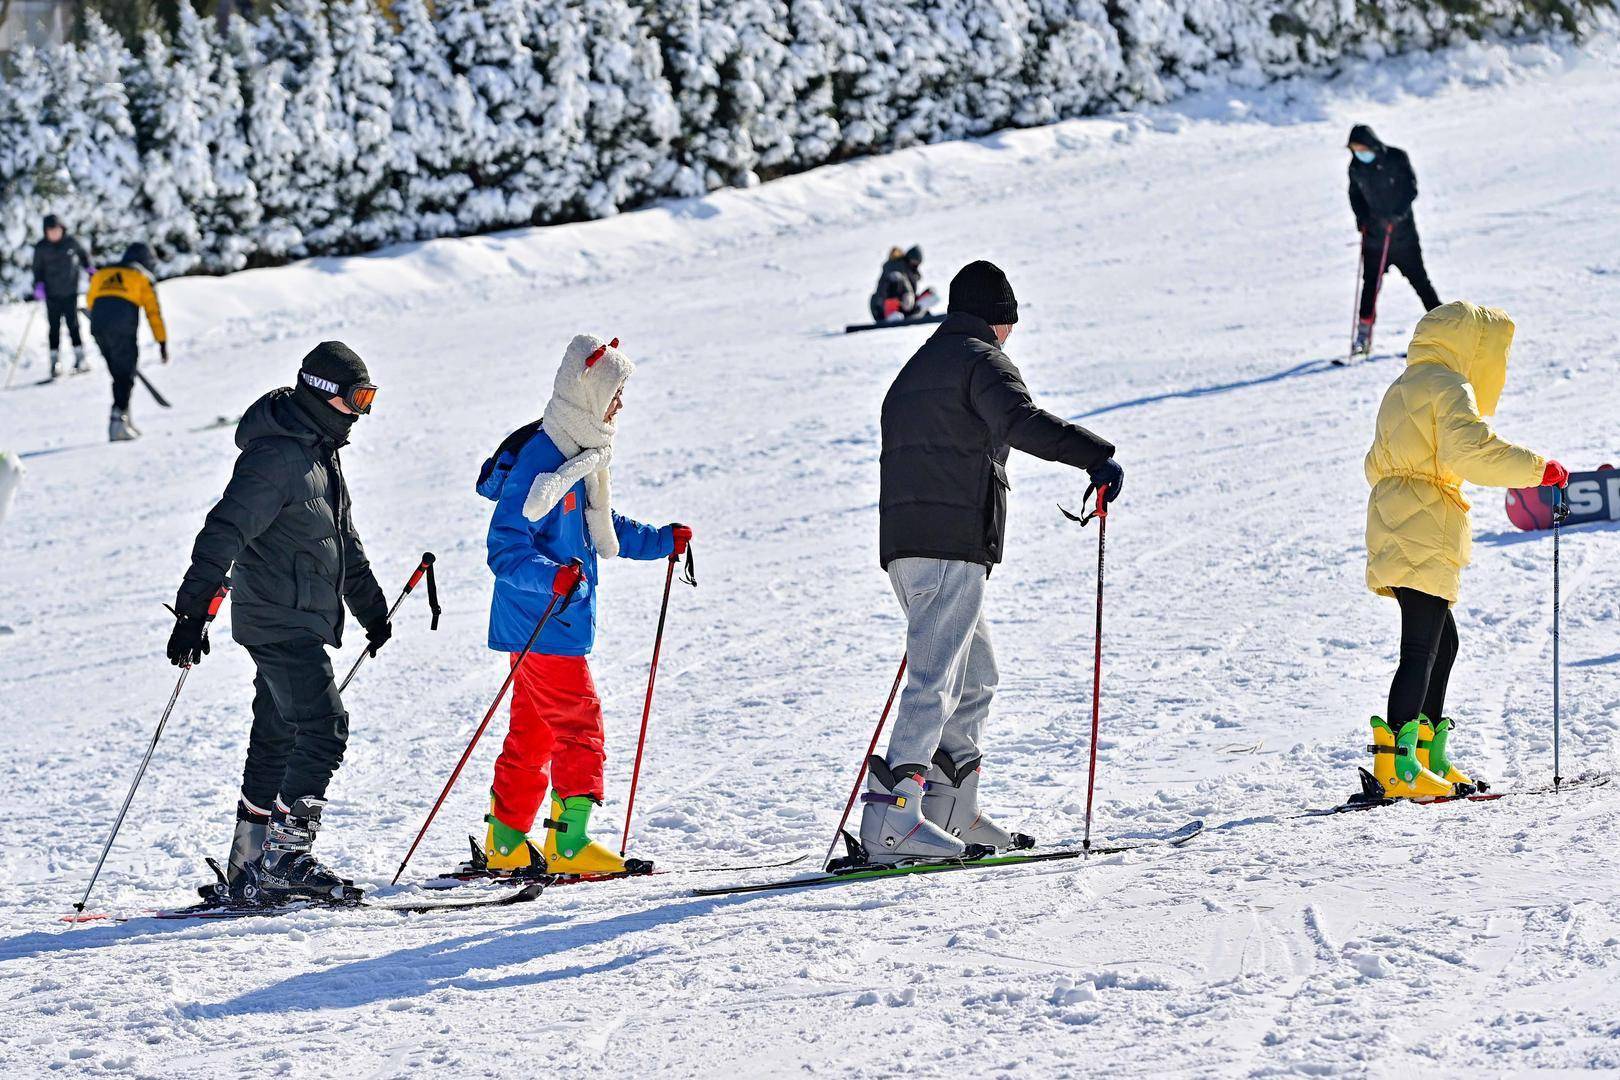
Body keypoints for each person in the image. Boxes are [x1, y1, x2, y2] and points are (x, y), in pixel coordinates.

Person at [865, 261, 1121, 864]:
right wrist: (1097, 456)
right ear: (999, 320)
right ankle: (893, 820)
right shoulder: (981, 359)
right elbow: (1019, 421)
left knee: (975, 675)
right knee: (937, 677)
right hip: (948, 541)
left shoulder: (919, 364)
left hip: (909, 542)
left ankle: (948, 810)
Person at [168, 342, 390, 902]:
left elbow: (341, 540)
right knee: (323, 727)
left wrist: (371, 606)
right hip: (277, 619)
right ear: (322, 394)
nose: (362, 412)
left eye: (370, 398)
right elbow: (224, 531)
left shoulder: (319, 452)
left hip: (298, 616)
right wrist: (193, 612)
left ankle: (249, 859)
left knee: (278, 732)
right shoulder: (276, 458)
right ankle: (286, 857)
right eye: (356, 398)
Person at [476, 333, 689, 876]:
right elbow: (505, 549)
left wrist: (661, 541)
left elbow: (598, 526)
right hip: (542, 623)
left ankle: (505, 840)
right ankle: (568, 845)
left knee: (535, 731)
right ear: (589, 392)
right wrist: (554, 580)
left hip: (546, 623)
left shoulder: (580, 453)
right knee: (579, 724)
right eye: (615, 392)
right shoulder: (541, 460)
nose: (620, 404)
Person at [1363, 301, 1563, 799]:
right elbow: (1470, 452)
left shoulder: (1404, 385)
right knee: (1421, 648)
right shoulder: (1448, 385)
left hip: (1396, 517)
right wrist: (1539, 470)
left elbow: (1377, 458)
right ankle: (1396, 768)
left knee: (1442, 644)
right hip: (1423, 521)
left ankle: (1424, 753)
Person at [1348, 124, 1442, 352]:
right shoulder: (1356, 167)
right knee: (1370, 286)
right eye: (1354, 149)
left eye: (1361, 148)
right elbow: (1354, 195)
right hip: (1374, 238)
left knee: (1421, 282)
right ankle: (1363, 337)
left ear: (1371, 144)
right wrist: (1361, 219)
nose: (1359, 153)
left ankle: (1445, 328)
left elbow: (1410, 189)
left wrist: (1397, 215)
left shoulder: (1396, 158)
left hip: (1402, 237)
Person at [86, 242, 168, 442]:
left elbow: (90, 301)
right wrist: (162, 342)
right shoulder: (142, 277)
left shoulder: (102, 273)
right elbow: (153, 312)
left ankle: (125, 420)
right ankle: (117, 424)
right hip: (123, 329)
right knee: (125, 376)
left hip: (98, 327)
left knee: (119, 375)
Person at [31, 214, 94, 379]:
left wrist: (89, 269)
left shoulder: (71, 242)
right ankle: (54, 363)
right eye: (50, 231)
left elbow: (84, 256)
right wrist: (38, 285)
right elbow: (37, 268)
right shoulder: (41, 247)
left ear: (62, 229)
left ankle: (81, 358)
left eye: (56, 230)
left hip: (70, 292)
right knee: (54, 327)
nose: (54, 234)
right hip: (52, 294)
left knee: (73, 325)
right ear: (45, 232)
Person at [869, 245, 930, 323]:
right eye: (914, 262)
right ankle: (891, 313)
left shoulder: (911, 273)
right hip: (881, 308)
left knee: (929, 292)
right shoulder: (894, 266)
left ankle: (921, 311)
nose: (915, 265)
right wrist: (908, 294)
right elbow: (898, 283)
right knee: (896, 279)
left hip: (904, 307)